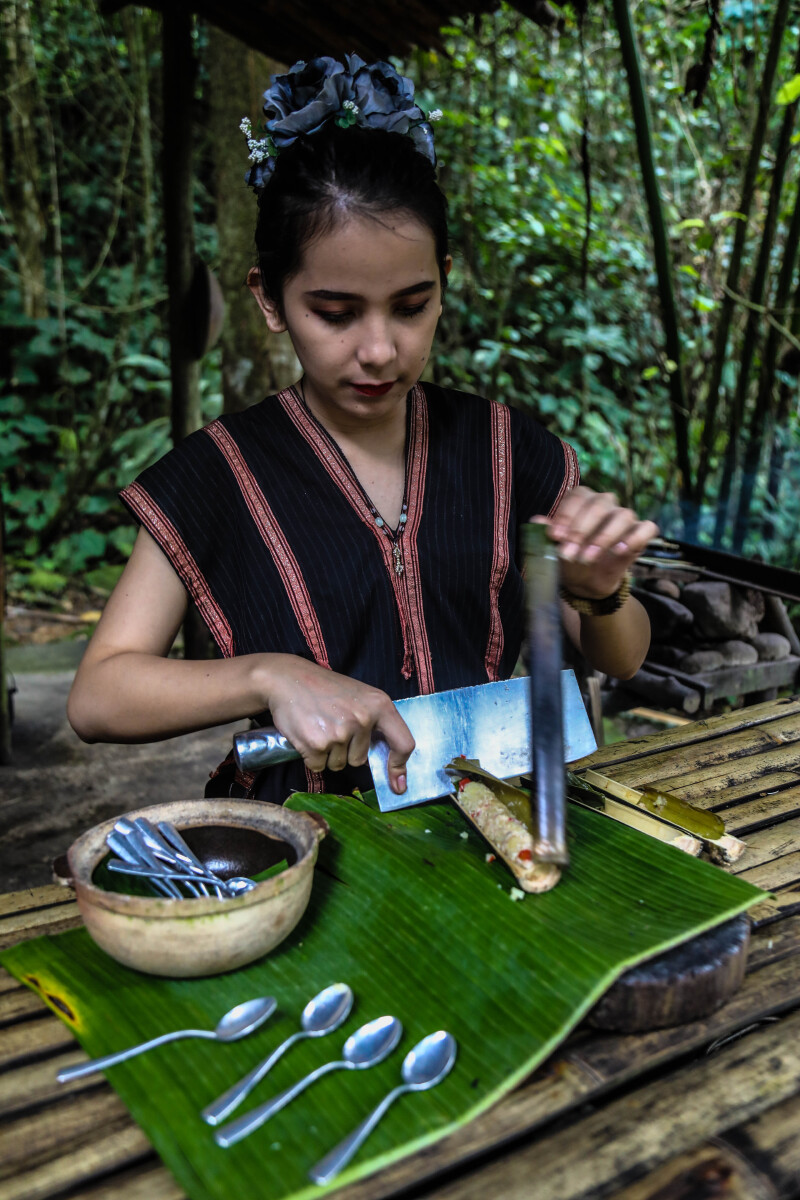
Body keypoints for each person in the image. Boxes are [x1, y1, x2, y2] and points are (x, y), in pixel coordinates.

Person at [67, 55, 657, 804]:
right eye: (336, 314)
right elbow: (97, 697)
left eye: (412, 306)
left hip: (488, 824)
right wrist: (269, 674)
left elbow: (625, 658)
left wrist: (604, 594)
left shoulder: (509, 450)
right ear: (271, 300)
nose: (379, 350)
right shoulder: (217, 473)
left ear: (443, 279)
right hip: (305, 835)